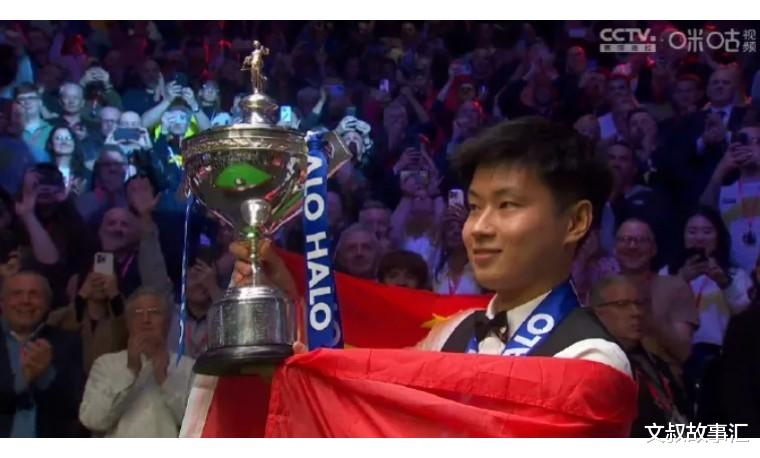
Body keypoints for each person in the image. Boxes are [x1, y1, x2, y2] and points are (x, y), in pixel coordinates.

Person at [234, 117, 631, 375]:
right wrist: (289, 300)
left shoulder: (592, 359)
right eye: (474, 207)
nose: (479, 228)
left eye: (507, 205)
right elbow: (359, 386)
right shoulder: (452, 332)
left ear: (575, 222)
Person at [659, 207, 751, 413]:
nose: (699, 237)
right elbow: (657, 313)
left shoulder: (736, 275)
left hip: (721, 359)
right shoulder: (667, 273)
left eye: (707, 231)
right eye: (692, 231)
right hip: (676, 356)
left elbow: (745, 314)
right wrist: (681, 281)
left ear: (718, 236)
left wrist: (724, 283)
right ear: (682, 236)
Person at [79, 287, 194, 437]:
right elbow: (92, 421)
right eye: (138, 313)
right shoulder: (105, 365)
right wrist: (130, 372)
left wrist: (165, 380)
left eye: (154, 312)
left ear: (168, 322)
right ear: (128, 324)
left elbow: (197, 424)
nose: (146, 320)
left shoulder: (189, 367)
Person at [588, 276, 688, 437]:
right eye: (622, 305)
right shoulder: (595, 368)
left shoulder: (655, 363)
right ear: (597, 313)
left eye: (639, 304)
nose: (636, 312)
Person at [0, 272, 86, 437]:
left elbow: (75, 406)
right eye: (17, 294)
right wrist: (22, 379)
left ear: (47, 305)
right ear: (2, 303)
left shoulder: (68, 343)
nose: (25, 301)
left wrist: (45, 375)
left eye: (34, 294)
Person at [614, 218, 699, 379]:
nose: (632, 246)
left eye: (641, 240)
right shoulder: (602, 289)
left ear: (653, 249)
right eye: (625, 240)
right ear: (614, 248)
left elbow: (684, 352)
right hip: (614, 379)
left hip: (662, 383)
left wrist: (649, 318)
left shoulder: (675, 287)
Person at [701, 124, 760, 272]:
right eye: (742, 141)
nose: (747, 147)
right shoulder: (724, 191)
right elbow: (703, 212)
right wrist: (720, 169)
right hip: (735, 275)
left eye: (755, 141)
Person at [431, 204, 481, 295]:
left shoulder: (482, 267)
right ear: (444, 235)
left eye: (461, 227)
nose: (456, 231)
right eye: (451, 228)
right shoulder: (437, 271)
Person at [75, 146, 128, 228]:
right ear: (98, 169)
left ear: (126, 168)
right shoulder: (83, 202)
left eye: (117, 164)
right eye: (106, 164)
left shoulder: (135, 201)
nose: (112, 168)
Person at [43, 125, 88, 195]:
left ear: (74, 143)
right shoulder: (42, 173)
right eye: (58, 138)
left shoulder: (85, 174)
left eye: (68, 138)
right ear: (51, 144)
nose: (64, 142)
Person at [14, 83, 53, 160]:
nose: (27, 102)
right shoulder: (10, 132)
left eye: (31, 98)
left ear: (40, 102)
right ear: (15, 104)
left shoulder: (52, 130)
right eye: (22, 99)